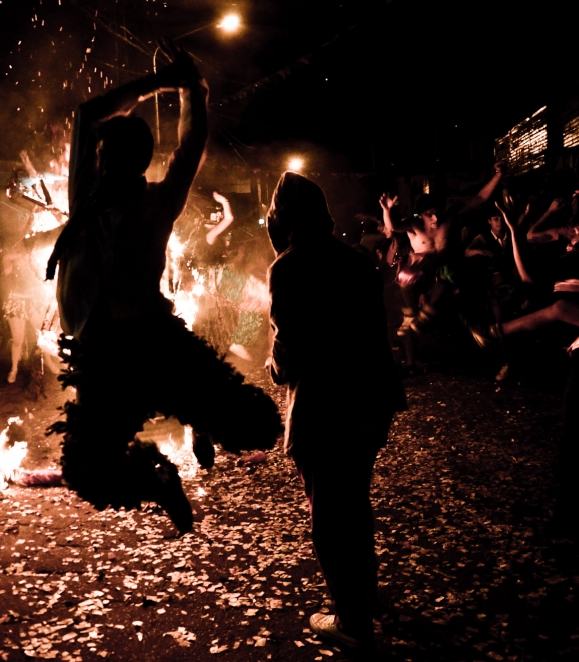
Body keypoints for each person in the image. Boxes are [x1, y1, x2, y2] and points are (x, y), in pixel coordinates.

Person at [45, 40, 281, 532]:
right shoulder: (86, 201)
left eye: (106, 153)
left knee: (257, 424)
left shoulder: (156, 201)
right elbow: (88, 117)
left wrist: (194, 91)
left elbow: (189, 145)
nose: (99, 160)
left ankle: (201, 417)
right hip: (102, 356)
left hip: (151, 340)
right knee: (87, 472)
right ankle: (158, 480)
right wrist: (167, 83)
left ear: (118, 160)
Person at [265, 172, 406, 650]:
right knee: (354, 498)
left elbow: (290, 353)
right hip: (372, 399)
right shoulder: (356, 260)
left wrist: (272, 368)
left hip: (327, 406)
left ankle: (352, 620)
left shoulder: (288, 266)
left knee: (328, 513)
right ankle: (365, 593)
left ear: (282, 221)